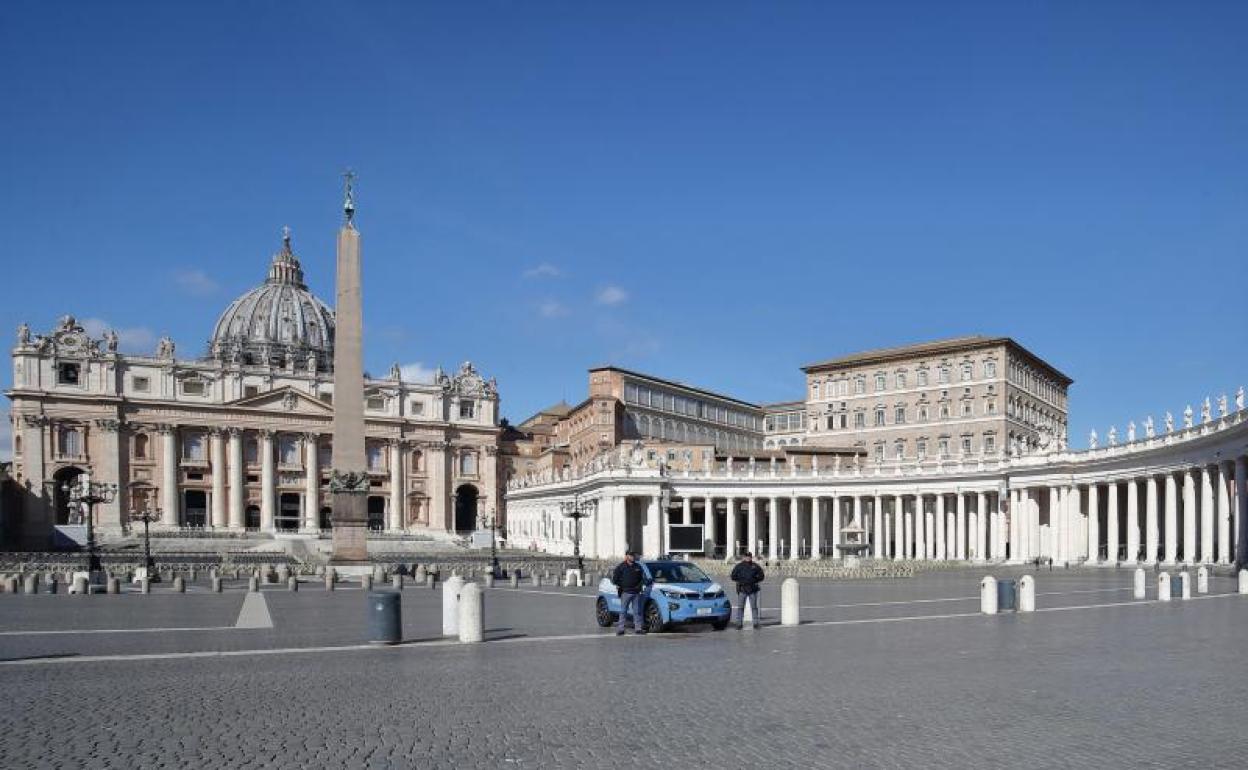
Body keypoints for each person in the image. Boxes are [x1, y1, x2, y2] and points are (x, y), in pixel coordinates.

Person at [611, 551, 647, 635]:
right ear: (627, 556)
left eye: (633, 556)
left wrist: (640, 586)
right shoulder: (621, 567)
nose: (633, 557)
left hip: (636, 593)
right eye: (631, 556)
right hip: (625, 592)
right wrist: (622, 586)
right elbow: (615, 579)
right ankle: (621, 629)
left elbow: (642, 578)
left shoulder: (638, 566)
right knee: (623, 611)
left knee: (637, 611)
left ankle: (638, 629)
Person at [729, 552, 765, 629]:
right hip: (742, 589)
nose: (748, 558)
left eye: (749, 557)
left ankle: (755, 624)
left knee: (754, 607)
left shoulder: (755, 566)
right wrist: (740, 580)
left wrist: (755, 579)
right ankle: (739, 624)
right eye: (747, 557)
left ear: (751, 557)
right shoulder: (739, 566)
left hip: (753, 589)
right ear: (744, 557)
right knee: (740, 607)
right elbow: (733, 576)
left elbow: (762, 576)